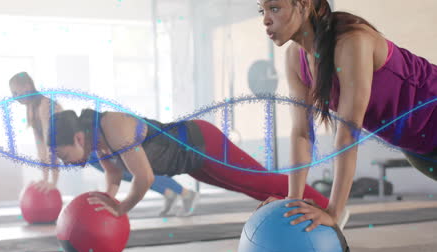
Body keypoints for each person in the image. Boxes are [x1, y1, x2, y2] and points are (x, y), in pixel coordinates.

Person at [257, 0, 436, 232]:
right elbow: (302, 133)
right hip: (418, 146)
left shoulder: (351, 41)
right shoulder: (295, 58)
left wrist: (333, 212)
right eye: (262, 10)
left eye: (274, 8)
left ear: (303, 4)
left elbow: (347, 135)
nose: (265, 20)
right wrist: (293, 200)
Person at [47, 108, 332, 221]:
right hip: (191, 162)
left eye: (63, 154)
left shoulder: (112, 125)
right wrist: (108, 198)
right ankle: (307, 213)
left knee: (260, 182)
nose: (65, 162)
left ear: (78, 137)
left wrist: (121, 209)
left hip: (201, 143)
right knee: (251, 190)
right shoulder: (96, 142)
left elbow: (143, 178)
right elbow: (113, 173)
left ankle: (330, 213)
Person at [9, 72, 196, 216]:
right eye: (13, 93)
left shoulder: (44, 106)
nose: (15, 96)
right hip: (86, 148)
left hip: (88, 145)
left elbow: (56, 145)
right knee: (129, 173)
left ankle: (182, 192)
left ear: (28, 86)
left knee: (134, 172)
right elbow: (43, 149)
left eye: (17, 91)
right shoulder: (31, 110)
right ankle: (170, 192)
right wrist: (45, 179)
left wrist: (53, 182)